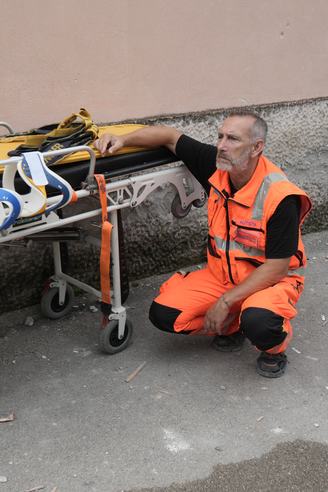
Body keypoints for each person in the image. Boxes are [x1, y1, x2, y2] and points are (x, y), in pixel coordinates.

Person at [94, 111, 312, 378]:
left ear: (257, 147)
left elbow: (277, 268)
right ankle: (235, 325)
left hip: (271, 282)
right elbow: (170, 137)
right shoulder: (218, 165)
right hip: (222, 277)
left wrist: (224, 301)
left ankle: (274, 347)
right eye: (220, 136)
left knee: (259, 320)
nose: (222, 145)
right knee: (163, 314)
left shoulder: (281, 197)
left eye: (233, 139)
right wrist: (121, 139)